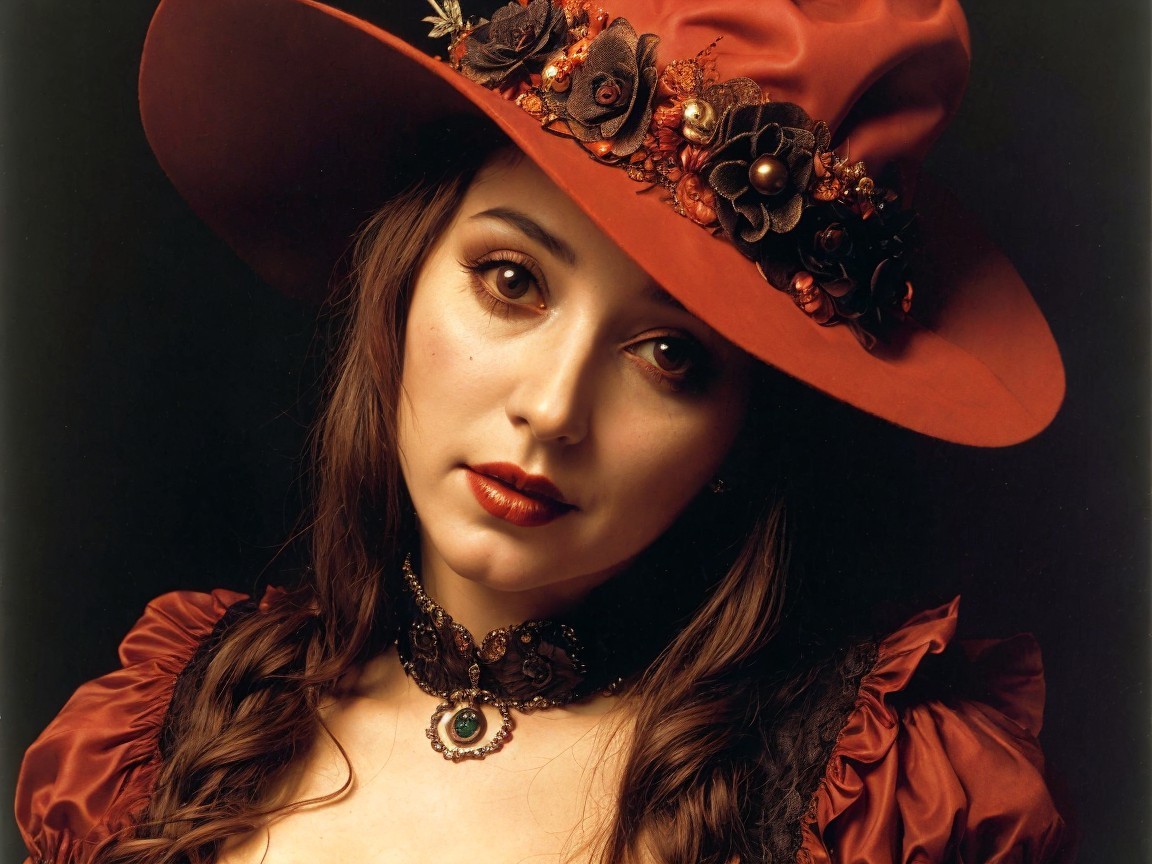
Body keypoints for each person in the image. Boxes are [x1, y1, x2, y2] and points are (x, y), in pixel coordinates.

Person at [15, 0, 1073, 862]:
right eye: (512, 282)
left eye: (672, 357)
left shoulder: (872, 809)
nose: (555, 408)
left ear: (738, 436)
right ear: (399, 285)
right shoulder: (157, 739)